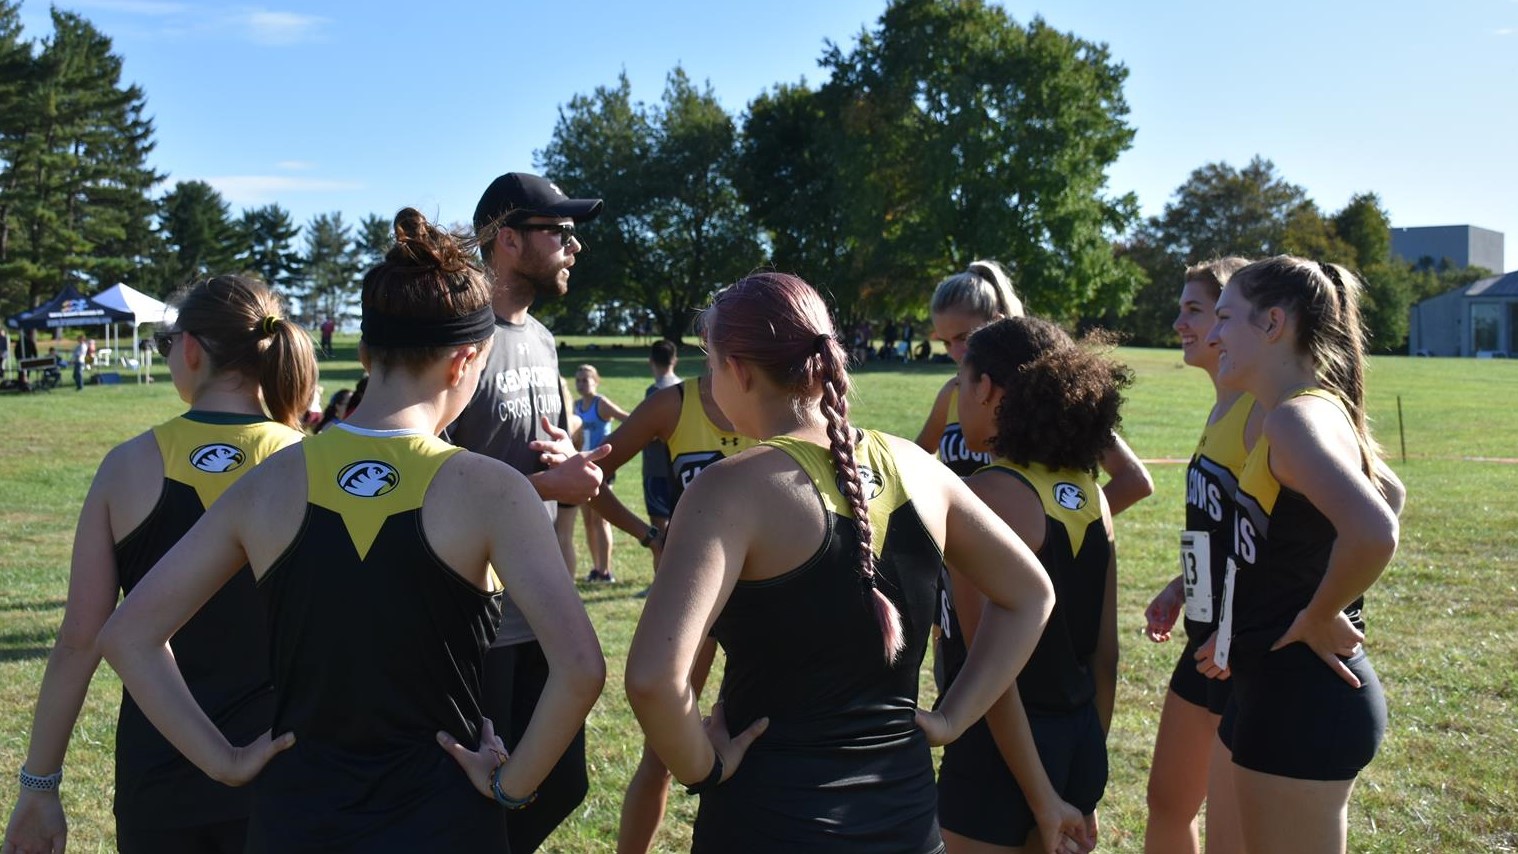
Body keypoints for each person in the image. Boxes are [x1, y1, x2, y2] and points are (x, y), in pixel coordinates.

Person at [97, 209, 606, 852]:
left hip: (296, 820)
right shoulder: (491, 490)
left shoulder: (269, 483)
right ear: (465, 363)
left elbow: (128, 635)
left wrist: (224, 762)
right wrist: (512, 785)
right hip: (444, 822)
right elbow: (582, 668)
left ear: (366, 355)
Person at [625, 272, 1057, 853]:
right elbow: (1032, 595)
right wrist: (954, 717)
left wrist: (703, 767)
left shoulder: (726, 491)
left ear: (739, 370)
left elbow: (654, 680)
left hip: (767, 822)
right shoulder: (918, 467)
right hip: (907, 823)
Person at [3, 275, 317, 853]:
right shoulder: (312, 464)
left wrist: (40, 785)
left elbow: (79, 640)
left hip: (159, 777)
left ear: (191, 348)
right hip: (288, 767)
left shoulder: (126, 466)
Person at [1206, 256, 1404, 854]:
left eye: (1225, 318)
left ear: (1272, 323)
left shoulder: (1295, 418)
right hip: (1276, 691)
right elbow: (1390, 490)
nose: (1213, 335)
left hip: (1303, 700)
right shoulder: (1299, 410)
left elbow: (1375, 529)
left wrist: (1320, 612)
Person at [449, 171, 609, 853]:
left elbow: (541, 445)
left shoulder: (541, 340)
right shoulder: (458, 339)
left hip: (539, 598)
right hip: (475, 614)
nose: (575, 247)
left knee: (562, 781)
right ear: (507, 240)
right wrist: (549, 487)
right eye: (560, 233)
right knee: (474, 799)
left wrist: (565, 457)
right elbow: (432, 483)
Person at [938, 315, 1125, 854]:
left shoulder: (990, 495)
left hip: (1003, 754)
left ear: (986, 388)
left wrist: (1041, 798)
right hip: (1079, 739)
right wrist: (1081, 768)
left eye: (960, 382)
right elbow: (1106, 655)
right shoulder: (1092, 492)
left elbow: (987, 670)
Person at [1140, 258, 1257, 854]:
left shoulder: (1262, 411)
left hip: (1243, 653)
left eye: (1195, 309)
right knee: (1166, 801)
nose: (1180, 321)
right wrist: (1181, 587)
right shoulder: (1223, 407)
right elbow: (1223, 526)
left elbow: (1283, 542)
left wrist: (1240, 627)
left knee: (1230, 836)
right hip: (1205, 641)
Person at [915, 260, 1153, 513]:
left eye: (964, 338)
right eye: (946, 343)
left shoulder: (1049, 397)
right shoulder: (951, 393)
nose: (956, 353)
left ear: (997, 324)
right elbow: (914, 463)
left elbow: (1134, 480)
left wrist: (1070, 528)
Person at [573, 364, 631, 582]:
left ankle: (606, 572)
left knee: (601, 520)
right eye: (578, 380)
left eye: (585, 380)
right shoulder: (575, 406)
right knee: (587, 521)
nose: (581, 384)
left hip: (603, 469)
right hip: (581, 468)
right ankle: (596, 568)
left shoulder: (601, 404)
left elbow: (628, 419)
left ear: (596, 381)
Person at [642, 340, 682, 550]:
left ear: (651, 361)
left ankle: (662, 579)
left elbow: (649, 432)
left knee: (659, 532)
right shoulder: (684, 389)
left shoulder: (654, 392)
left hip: (656, 469)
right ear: (675, 360)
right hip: (681, 467)